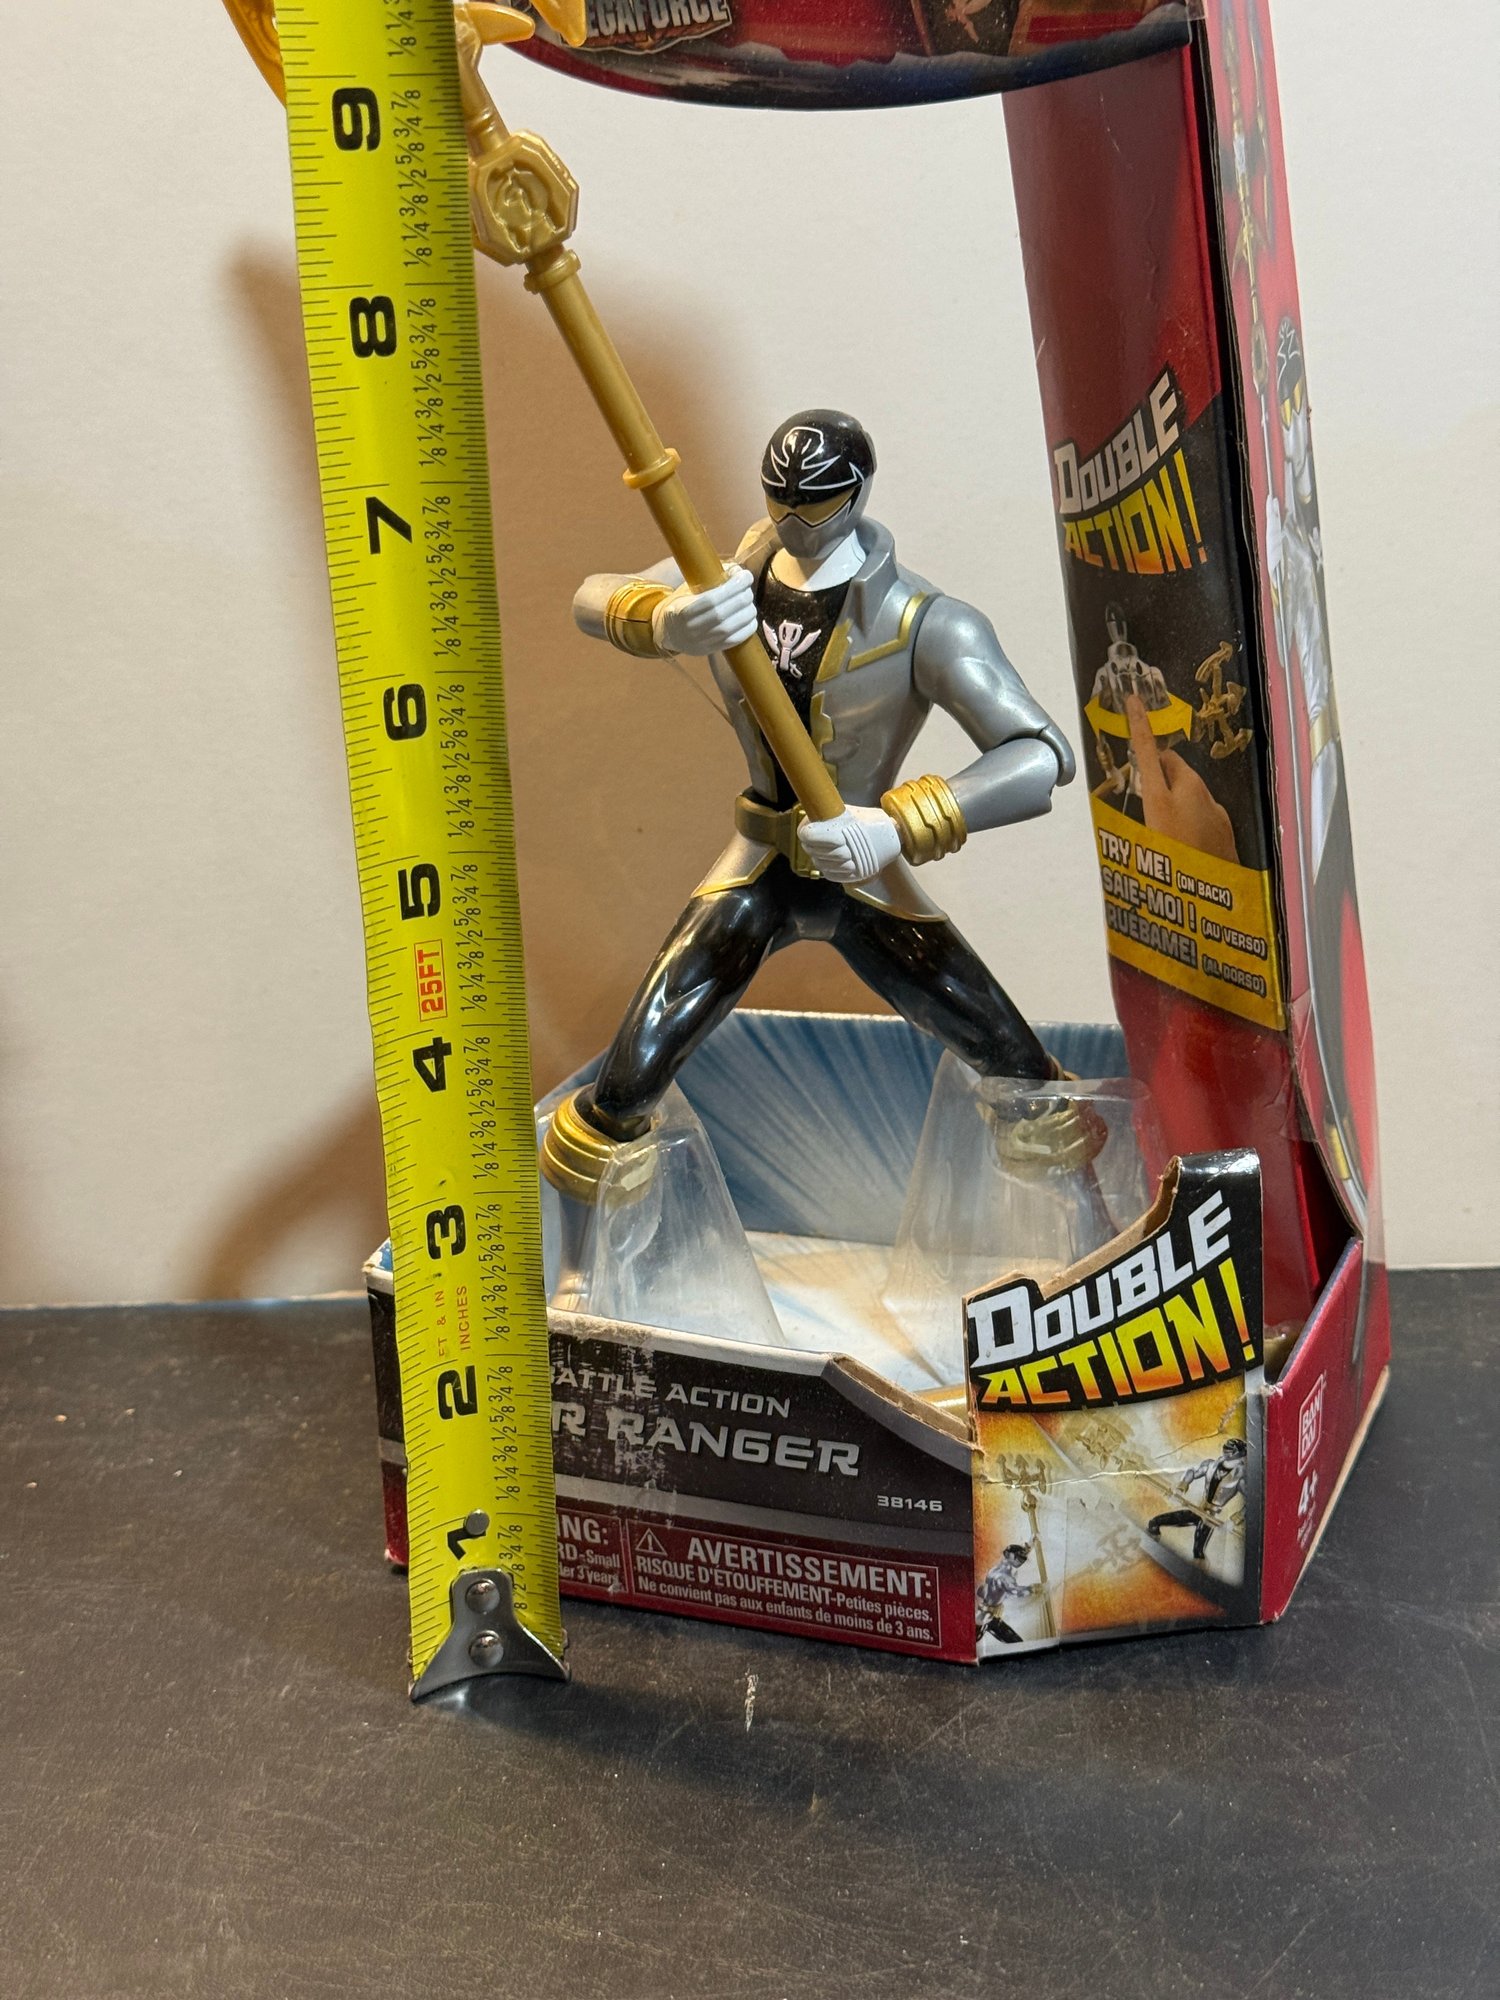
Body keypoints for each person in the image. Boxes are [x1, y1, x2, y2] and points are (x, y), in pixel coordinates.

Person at [542, 409, 1084, 1200]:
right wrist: (666, 619)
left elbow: (1039, 757)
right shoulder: (726, 582)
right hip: (759, 863)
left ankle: (1072, 1207)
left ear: (857, 493)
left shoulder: (921, 621)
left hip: (863, 871)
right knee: (627, 1083)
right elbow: (589, 598)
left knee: (1022, 1078)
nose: (794, 520)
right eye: (780, 499)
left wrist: (897, 825)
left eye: (817, 501)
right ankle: (595, 1227)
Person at [1147, 1436, 1247, 1560]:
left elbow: (1250, 1503)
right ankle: (1153, 1535)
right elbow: (1193, 1472)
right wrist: (1180, 1488)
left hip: (1211, 1517)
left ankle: (1197, 1566)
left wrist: (1234, 1520)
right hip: (1198, 1509)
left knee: (1198, 1552)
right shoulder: (1211, 1465)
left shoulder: (1240, 1478)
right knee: (1155, 1522)